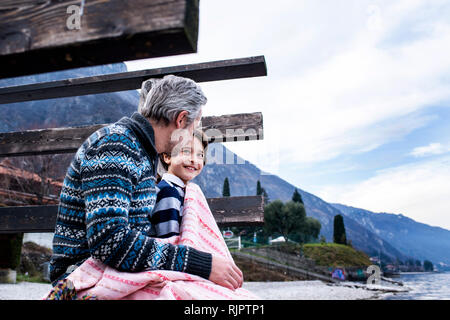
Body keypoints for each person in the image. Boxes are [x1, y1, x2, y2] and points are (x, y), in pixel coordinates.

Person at [49, 75, 243, 291]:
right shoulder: (116, 146)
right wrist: (200, 264)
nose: (191, 137)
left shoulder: (143, 151)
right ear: (181, 120)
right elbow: (110, 241)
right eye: (193, 127)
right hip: (80, 274)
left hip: (117, 270)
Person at [151, 130, 207, 238]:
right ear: (167, 157)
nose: (194, 160)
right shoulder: (168, 191)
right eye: (186, 151)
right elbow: (169, 240)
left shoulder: (184, 192)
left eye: (200, 155)